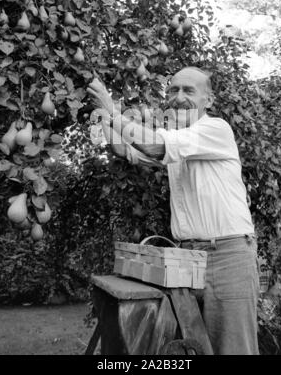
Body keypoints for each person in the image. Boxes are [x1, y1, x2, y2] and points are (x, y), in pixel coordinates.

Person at [87, 66, 260, 355]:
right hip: (187, 259)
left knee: (234, 350)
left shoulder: (215, 129)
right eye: (174, 90)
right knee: (192, 350)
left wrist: (112, 108)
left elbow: (154, 147)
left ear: (209, 100)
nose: (178, 97)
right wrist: (103, 113)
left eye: (189, 90)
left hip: (227, 257)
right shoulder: (178, 142)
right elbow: (127, 151)